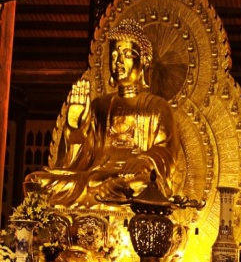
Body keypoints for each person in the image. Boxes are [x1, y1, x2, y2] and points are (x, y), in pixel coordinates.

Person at [26, 19, 180, 208]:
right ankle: (101, 195)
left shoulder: (157, 106)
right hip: (93, 177)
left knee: (141, 185)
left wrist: (145, 161)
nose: (119, 62)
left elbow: (167, 153)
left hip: (131, 180)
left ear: (145, 61)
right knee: (36, 181)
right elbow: (81, 157)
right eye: (114, 55)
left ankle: (104, 196)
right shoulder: (100, 105)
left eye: (127, 54)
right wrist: (76, 126)